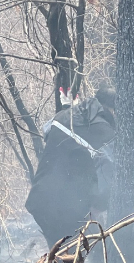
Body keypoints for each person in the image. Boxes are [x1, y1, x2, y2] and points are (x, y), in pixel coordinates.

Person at [26, 85, 116, 249]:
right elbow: (109, 172)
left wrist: (69, 107)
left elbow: (49, 133)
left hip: (39, 199)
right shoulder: (105, 132)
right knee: (69, 259)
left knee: (59, 255)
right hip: (66, 208)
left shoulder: (62, 116)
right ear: (112, 110)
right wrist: (99, 205)